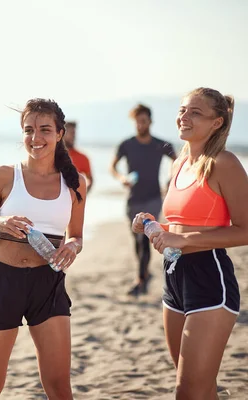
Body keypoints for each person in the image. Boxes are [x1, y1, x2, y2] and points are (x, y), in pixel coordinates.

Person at [132, 87, 247, 399]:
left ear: (217, 123)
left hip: (209, 278)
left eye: (195, 112)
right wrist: (152, 225)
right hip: (173, 279)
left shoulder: (224, 163)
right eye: (183, 110)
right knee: (200, 386)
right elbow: (178, 224)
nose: (184, 117)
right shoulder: (179, 163)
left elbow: (245, 229)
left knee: (187, 391)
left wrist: (181, 239)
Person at [0, 98, 86, 400]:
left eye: (45, 130)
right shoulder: (6, 175)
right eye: (28, 130)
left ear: (60, 134)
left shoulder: (75, 183)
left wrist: (72, 248)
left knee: (60, 385)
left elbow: (76, 236)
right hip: (2, 282)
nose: (36, 138)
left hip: (48, 284)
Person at [110, 103, 177, 296]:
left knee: (145, 236)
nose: (141, 125)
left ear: (150, 121)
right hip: (133, 199)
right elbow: (112, 166)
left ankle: (140, 281)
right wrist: (122, 178)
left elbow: (177, 160)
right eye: (138, 121)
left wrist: (171, 178)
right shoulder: (127, 144)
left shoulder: (160, 144)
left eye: (144, 121)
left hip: (154, 198)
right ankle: (145, 274)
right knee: (137, 239)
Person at [64, 121, 93, 192]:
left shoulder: (83, 158)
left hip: (73, 201)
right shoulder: (51, 155)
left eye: (74, 133)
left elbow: (90, 180)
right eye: (71, 133)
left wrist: (82, 197)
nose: (73, 136)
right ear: (61, 134)